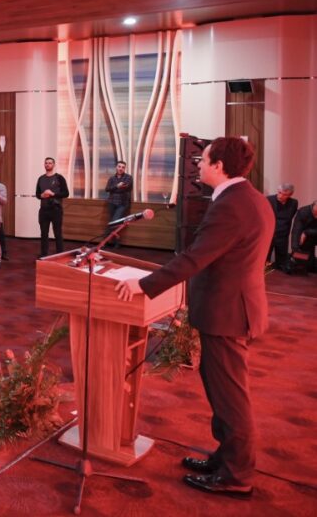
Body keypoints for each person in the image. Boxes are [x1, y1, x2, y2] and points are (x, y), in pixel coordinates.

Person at [116, 137, 272, 499]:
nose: (197, 165)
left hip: (228, 313)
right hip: (231, 309)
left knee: (231, 397)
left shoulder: (231, 206)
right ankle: (225, 459)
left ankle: (236, 476)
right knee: (222, 391)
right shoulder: (250, 198)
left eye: (202, 160)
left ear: (219, 166)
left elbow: (195, 258)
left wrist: (145, 284)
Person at [36, 157, 69, 256]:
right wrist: (42, 195)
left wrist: (53, 194)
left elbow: (66, 193)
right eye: (46, 163)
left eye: (50, 163)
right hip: (44, 210)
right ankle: (44, 254)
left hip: (56, 210)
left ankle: (60, 254)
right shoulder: (41, 178)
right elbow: (37, 194)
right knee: (44, 233)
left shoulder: (59, 178)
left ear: (54, 165)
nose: (48, 165)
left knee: (57, 233)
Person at [266, 183, 298, 272]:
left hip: (283, 234)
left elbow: (290, 217)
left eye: (284, 194)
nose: (280, 196)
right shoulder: (269, 200)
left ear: (290, 195)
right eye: (279, 192)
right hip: (269, 233)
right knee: (265, 257)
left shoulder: (293, 203)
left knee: (282, 261)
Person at [105, 160, 133, 248]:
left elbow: (126, 189)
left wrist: (114, 189)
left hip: (122, 203)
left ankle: (107, 240)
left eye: (123, 167)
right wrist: (117, 186)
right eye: (119, 166)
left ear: (125, 169)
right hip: (112, 202)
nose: (121, 168)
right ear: (116, 167)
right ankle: (114, 242)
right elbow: (107, 189)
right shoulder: (111, 178)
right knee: (112, 222)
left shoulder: (128, 177)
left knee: (114, 222)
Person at [289, 199, 317, 274]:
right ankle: (307, 267)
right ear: (312, 206)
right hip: (307, 238)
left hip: (310, 233)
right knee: (302, 246)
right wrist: (295, 248)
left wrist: (306, 232)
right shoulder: (303, 212)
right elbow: (296, 230)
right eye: (315, 213)